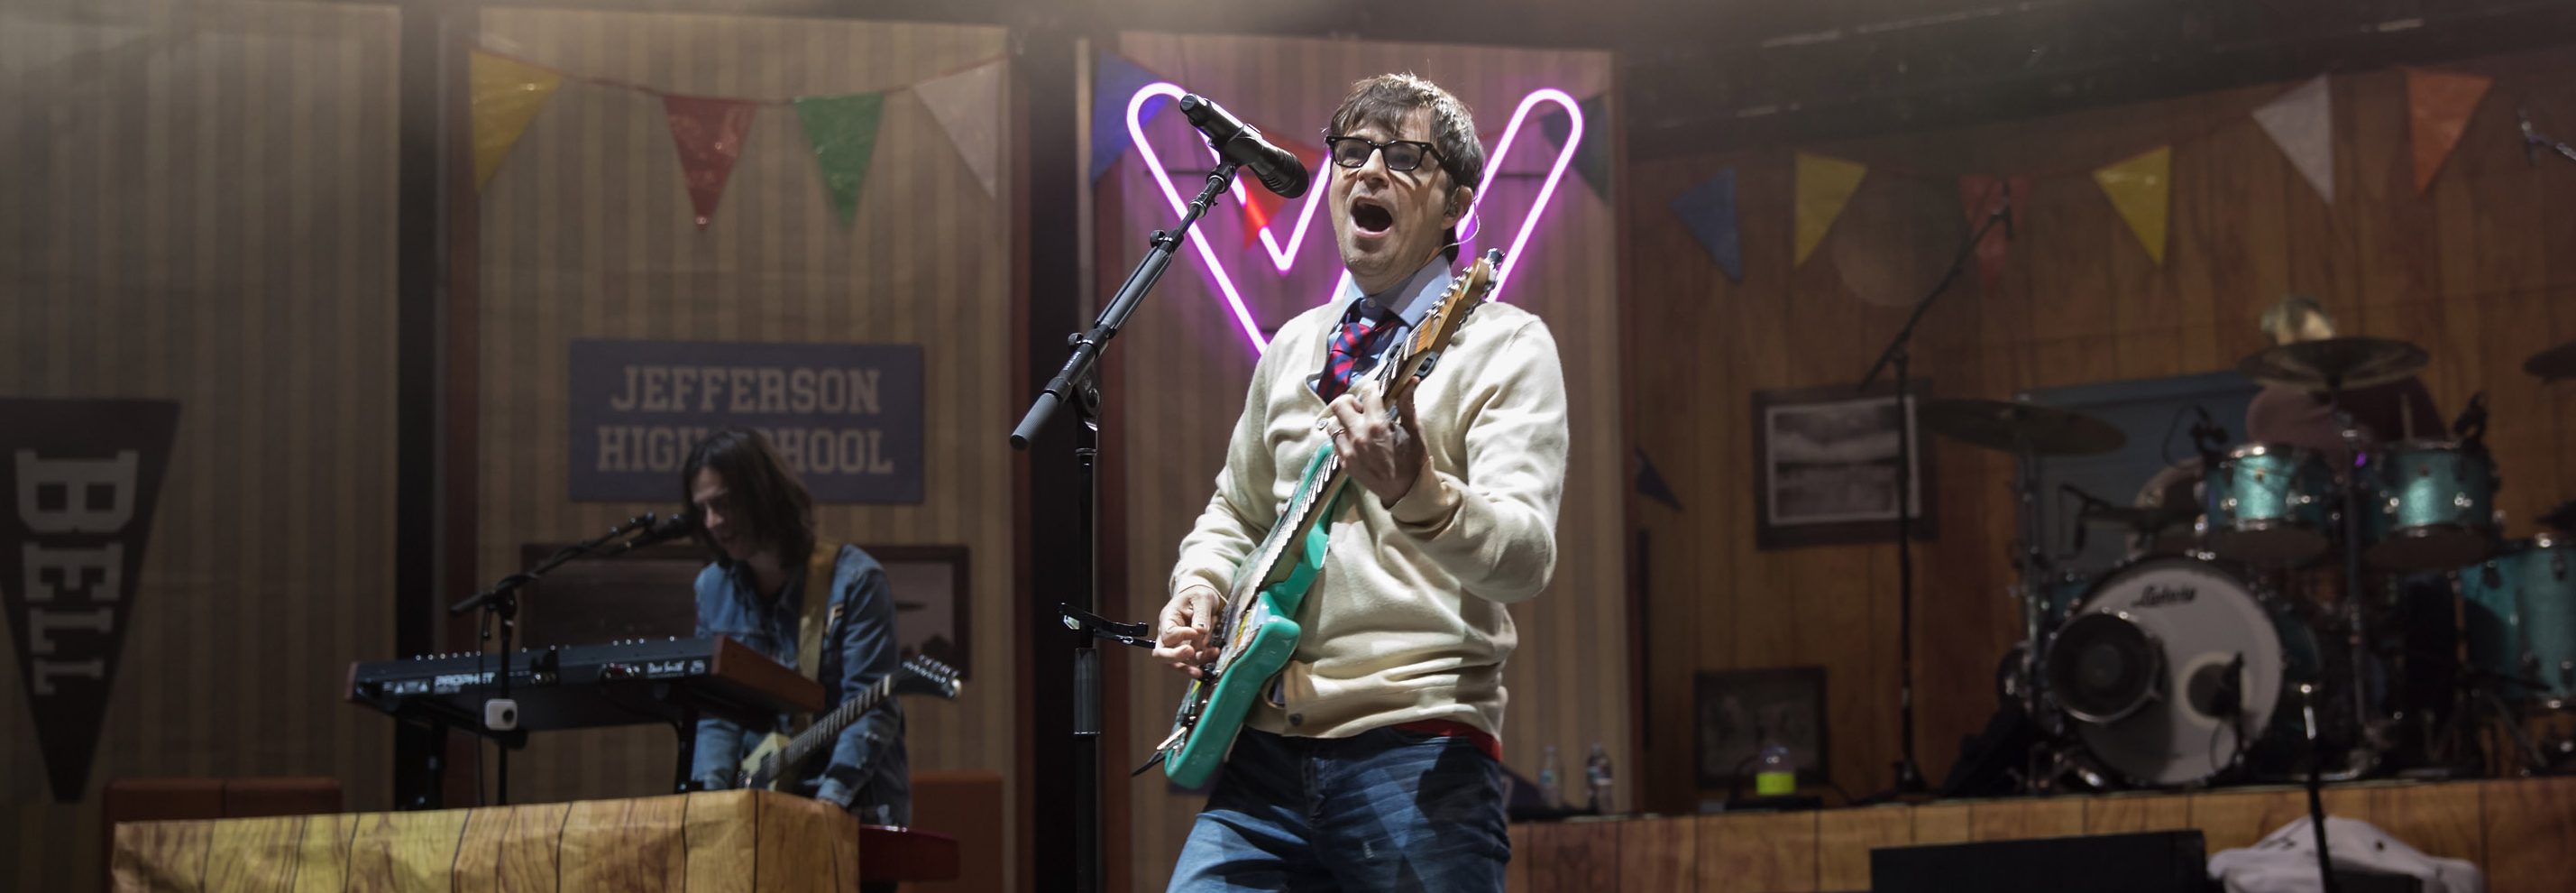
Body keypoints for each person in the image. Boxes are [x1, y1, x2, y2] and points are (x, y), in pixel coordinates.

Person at [1150, 72, 1570, 890]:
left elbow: (1524, 560)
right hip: (1263, 754)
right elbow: (1234, 510)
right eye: (1352, 152)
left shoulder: (1505, 345)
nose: (1368, 172)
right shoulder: (1294, 348)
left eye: (1404, 158)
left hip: (1416, 752)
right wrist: (1198, 585)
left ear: (1457, 207)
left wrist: (1417, 486)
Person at [681, 428, 910, 829]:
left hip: (851, 809)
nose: (713, 522)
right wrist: (712, 806)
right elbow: (716, 715)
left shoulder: (854, 580)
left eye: (723, 504)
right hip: (759, 811)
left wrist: (827, 805)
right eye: (702, 510)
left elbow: (870, 706)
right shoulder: (712, 588)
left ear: (761, 492)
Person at [2245, 295, 2443, 456]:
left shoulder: (2393, 386)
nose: (2314, 360)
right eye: (2300, 354)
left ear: (2333, 330)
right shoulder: (2266, 410)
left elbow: (2437, 458)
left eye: (2322, 346)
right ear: (2277, 356)